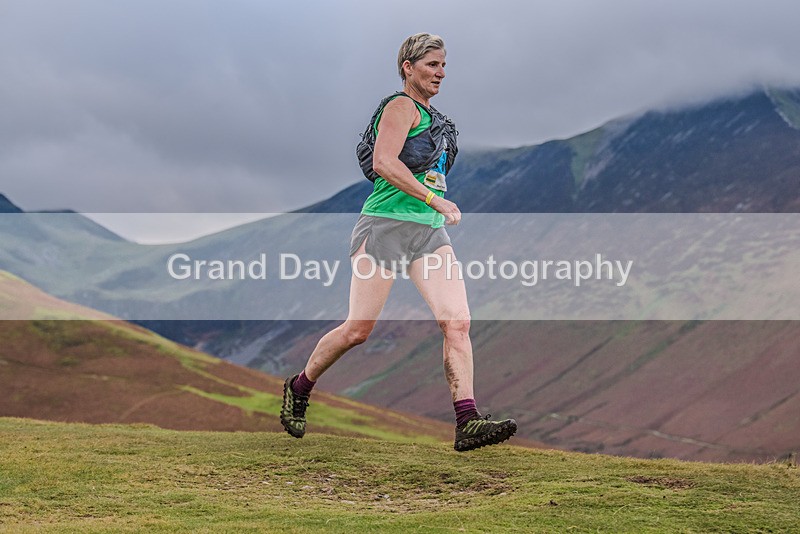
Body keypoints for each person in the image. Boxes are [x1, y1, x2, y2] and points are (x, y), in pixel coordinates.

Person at [280, 33, 517, 451]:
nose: (440, 72)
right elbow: (383, 162)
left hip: (428, 233)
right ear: (408, 68)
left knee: (457, 322)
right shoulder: (400, 106)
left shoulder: (438, 120)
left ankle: (467, 420)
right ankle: (299, 387)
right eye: (432, 65)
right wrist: (434, 199)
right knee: (357, 331)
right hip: (384, 227)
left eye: (444, 65)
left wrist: (433, 208)